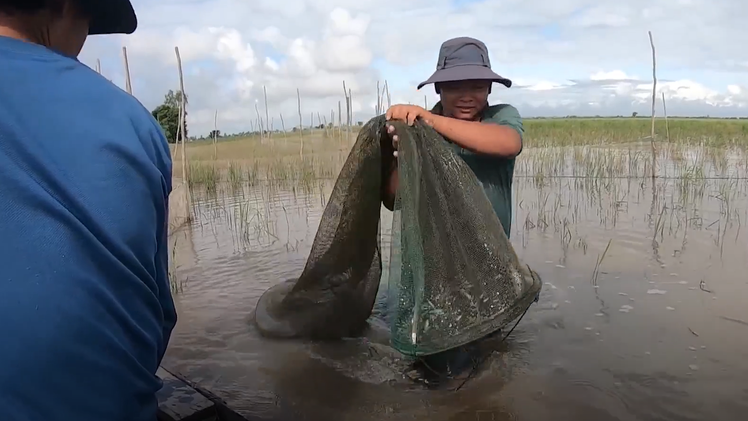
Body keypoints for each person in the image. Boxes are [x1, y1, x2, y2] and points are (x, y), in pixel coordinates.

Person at [0, 1, 177, 420]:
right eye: (89, 21)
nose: (82, 43)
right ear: (65, 7)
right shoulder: (135, 123)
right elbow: (156, 322)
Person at [384, 36, 523, 384]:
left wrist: (429, 124)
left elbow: (509, 143)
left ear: (490, 89)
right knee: (436, 366)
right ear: (438, 90)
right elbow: (392, 197)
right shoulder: (417, 127)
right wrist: (406, 153)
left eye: (477, 86)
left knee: (489, 348)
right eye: (454, 86)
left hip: (491, 261)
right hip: (437, 267)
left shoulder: (501, 117)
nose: (466, 96)